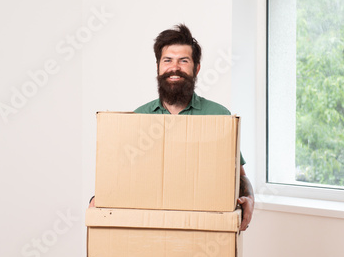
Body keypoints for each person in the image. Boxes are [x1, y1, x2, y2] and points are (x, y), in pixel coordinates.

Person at [90, 24, 254, 231]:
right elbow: (122, 177)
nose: (174, 67)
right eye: (167, 60)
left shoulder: (218, 116)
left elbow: (239, 176)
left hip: (203, 226)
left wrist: (249, 198)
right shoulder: (139, 117)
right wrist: (98, 198)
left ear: (196, 68)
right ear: (158, 66)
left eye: (183, 61)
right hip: (150, 226)